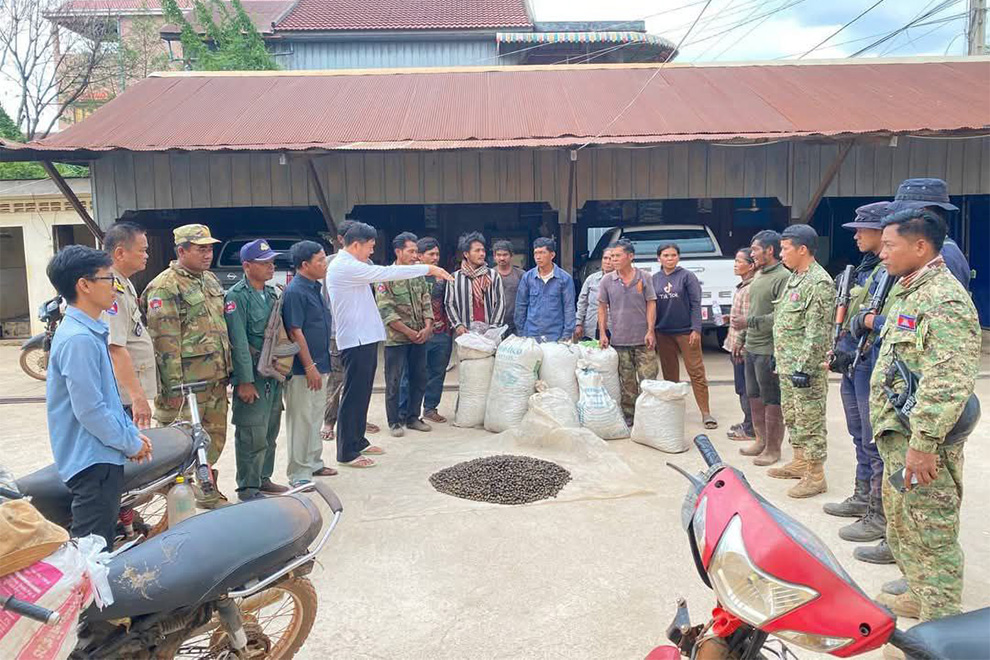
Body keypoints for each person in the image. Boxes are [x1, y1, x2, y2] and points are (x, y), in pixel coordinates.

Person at [869, 208, 980, 624]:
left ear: (920, 246)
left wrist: (924, 444)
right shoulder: (910, 290)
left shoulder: (943, 299)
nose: (882, 254)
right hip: (901, 434)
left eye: (890, 246)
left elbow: (948, 379)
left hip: (922, 442)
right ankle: (920, 594)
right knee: (904, 523)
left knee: (931, 531)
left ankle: (940, 627)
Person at [45, 245, 152, 548]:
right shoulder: (79, 339)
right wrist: (130, 442)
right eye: (109, 279)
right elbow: (90, 410)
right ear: (85, 285)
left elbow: (107, 400)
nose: (115, 288)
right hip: (92, 462)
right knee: (92, 555)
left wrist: (131, 433)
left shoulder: (89, 331)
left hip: (99, 454)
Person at [327, 222, 453, 468]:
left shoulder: (355, 265)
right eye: (370, 247)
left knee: (362, 394)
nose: (372, 252)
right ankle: (346, 452)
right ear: (355, 245)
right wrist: (428, 268)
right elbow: (386, 273)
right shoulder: (345, 266)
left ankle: (358, 440)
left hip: (365, 337)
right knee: (353, 396)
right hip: (355, 340)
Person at [142, 224, 230, 508]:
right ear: (182, 251)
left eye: (209, 248)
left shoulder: (209, 280)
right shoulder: (165, 286)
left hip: (214, 378)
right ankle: (173, 496)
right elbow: (165, 342)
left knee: (213, 438)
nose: (207, 254)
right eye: (200, 249)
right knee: (178, 442)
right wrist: (173, 387)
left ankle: (207, 489)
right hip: (186, 384)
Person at [823, 203, 889, 545]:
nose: (857, 235)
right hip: (854, 360)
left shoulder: (890, 271)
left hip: (872, 363)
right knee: (857, 432)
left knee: (873, 438)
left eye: (863, 230)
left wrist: (866, 323)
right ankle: (863, 496)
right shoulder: (867, 269)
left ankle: (878, 513)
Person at [767, 224, 833, 499]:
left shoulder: (819, 283)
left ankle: (815, 475)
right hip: (788, 363)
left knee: (810, 420)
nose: (781, 254)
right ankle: (799, 462)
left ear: (802, 249)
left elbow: (816, 331)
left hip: (805, 369)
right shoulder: (796, 278)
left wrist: (804, 368)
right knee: (793, 416)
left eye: (785, 248)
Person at [224, 240, 290, 501]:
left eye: (272, 262)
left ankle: (263, 478)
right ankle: (248, 487)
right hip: (252, 374)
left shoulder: (272, 294)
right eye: (264, 263)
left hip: (272, 375)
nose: (271, 267)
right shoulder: (236, 297)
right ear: (247, 266)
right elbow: (238, 342)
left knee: (270, 430)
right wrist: (244, 381)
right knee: (251, 433)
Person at [281, 240, 337, 486]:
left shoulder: (314, 287)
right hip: (303, 369)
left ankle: (314, 462)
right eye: (320, 260)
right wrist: (309, 366)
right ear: (305, 265)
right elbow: (296, 331)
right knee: (301, 420)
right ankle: (299, 473)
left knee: (314, 416)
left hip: (319, 363)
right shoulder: (295, 291)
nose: (325, 264)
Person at [732, 230, 789, 466]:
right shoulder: (759, 276)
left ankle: (773, 448)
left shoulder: (783, 277)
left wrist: (750, 323)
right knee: (754, 396)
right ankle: (760, 440)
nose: (752, 254)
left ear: (770, 251)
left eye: (755, 250)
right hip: (752, 346)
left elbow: (781, 316)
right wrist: (741, 338)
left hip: (769, 348)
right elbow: (753, 311)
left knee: (771, 399)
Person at [321, 221, 380, 442]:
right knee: (337, 381)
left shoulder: (366, 263)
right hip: (338, 332)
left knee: (358, 386)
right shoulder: (330, 264)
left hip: (361, 333)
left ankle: (358, 429)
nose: (370, 250)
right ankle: (329, 421)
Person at [652, 243, 716, 429]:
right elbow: (651, 306)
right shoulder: (654, 279)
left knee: (696, 372)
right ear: (659, 258)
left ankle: (706, 413)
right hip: (663, 332)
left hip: (686, 332)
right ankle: (674, 414)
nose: (670, 258)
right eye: (666, 255)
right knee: (670, 375)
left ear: (678, 257)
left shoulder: (687, 277)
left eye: (673, 255)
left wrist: (696, 329)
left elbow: (696, 304)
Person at [377, 232, 434, 437]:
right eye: (411, 251)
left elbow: (426, 301)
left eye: (416, 251)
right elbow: (386, 311)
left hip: (420, 337)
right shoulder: (385, 276)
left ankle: (413, 417)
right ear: (398, 251)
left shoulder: (417, 274)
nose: (414, 255)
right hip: (397, 339)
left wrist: (427, 327)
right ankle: (394, 421)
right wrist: (409, 332)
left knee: (419, 378)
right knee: (393, 381)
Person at [597, 239, 658, 426]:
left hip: (643, 339)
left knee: (649, 380)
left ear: (630, 256)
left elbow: (651, 303)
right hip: (620, 339)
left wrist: (650, 330)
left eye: (618, 256)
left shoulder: (644, 277)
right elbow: (601, 307)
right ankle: (630, 417)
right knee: (627, 382)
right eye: (612, 256)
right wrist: (603, 333)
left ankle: (650, 416)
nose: (613, 259)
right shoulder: (607, 280)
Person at [101, 221, 156, 428]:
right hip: (122, 396)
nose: (146, 255)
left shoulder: (124, 282)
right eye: (142, 250)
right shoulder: (111, 289)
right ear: (120, 253)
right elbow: (115, 347)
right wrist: (137, 397)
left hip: (127, 395)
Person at [397, 236, 452, 424]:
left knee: (437, 372)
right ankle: (404, 412)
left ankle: (430, 408)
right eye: (431, 254)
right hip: (417, 334)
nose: (436, 257)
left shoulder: (442, 276)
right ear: (420, 256)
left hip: (441, 331)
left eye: (437, 254)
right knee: (411, 374)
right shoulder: (411, 276)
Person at [514, 237, 575, 342]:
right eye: (536, 253)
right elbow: (520, 306)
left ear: (552, 255)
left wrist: (566, 334)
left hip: (556, 335)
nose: (538, 257)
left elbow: (569, 308)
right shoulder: (527, 278)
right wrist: (522, 333)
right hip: (531, 334)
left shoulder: (564, 279)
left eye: (542, 253)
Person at [724, 248, 756, 442]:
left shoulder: (752, 288)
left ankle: (751, 428)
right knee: (741, 387)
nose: (735, 264)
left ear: (751, 265)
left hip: (742, 347)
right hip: (735, 344)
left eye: (739, 261)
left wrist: (740, 343)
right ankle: (748, 421)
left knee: (747, 388)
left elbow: (751, 319)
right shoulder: (742, 286)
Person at [445, 232, 505, 336]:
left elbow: (500, 302)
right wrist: (458, 325)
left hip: (489, 333)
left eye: (483, 250)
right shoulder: (454, 278)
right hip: (464, 333)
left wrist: (494, 327)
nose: (482, 254)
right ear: (466, 254)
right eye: (477, 250)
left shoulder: (493, 275)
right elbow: (449, 303)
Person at [575, 247, 614, 341]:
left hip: (613, 327)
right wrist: (579, 323)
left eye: (611, 259)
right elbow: (582, 302)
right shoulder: (591, 279)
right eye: (605, 258)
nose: (607, 262)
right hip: (591, 326)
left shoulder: (620, 281)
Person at [493, 240, 524, 336]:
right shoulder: (489, 275)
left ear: (511, 255)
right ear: (494, 256)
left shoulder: (521, 275)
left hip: (517, 324)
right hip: (495, 324)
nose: (502, 258)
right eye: (498, 255)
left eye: (505, 255)